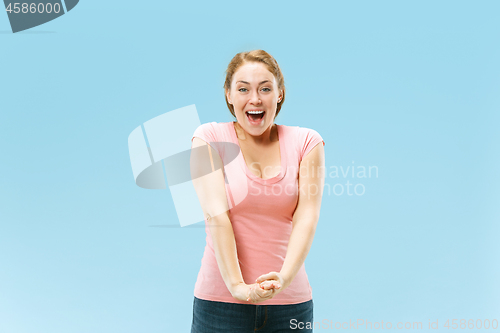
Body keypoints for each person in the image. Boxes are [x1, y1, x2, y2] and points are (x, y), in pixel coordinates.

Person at [190, 50, 325, 332]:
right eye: (243, 89)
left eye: (265, 88)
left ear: (279, 94)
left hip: (290, 305)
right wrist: (238, 287)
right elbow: (216, 215)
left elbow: (307, 217)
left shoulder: (307, 142)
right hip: (220, 305)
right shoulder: (209, 138)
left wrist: (284, 280)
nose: (255, 99)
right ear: (228, 94)